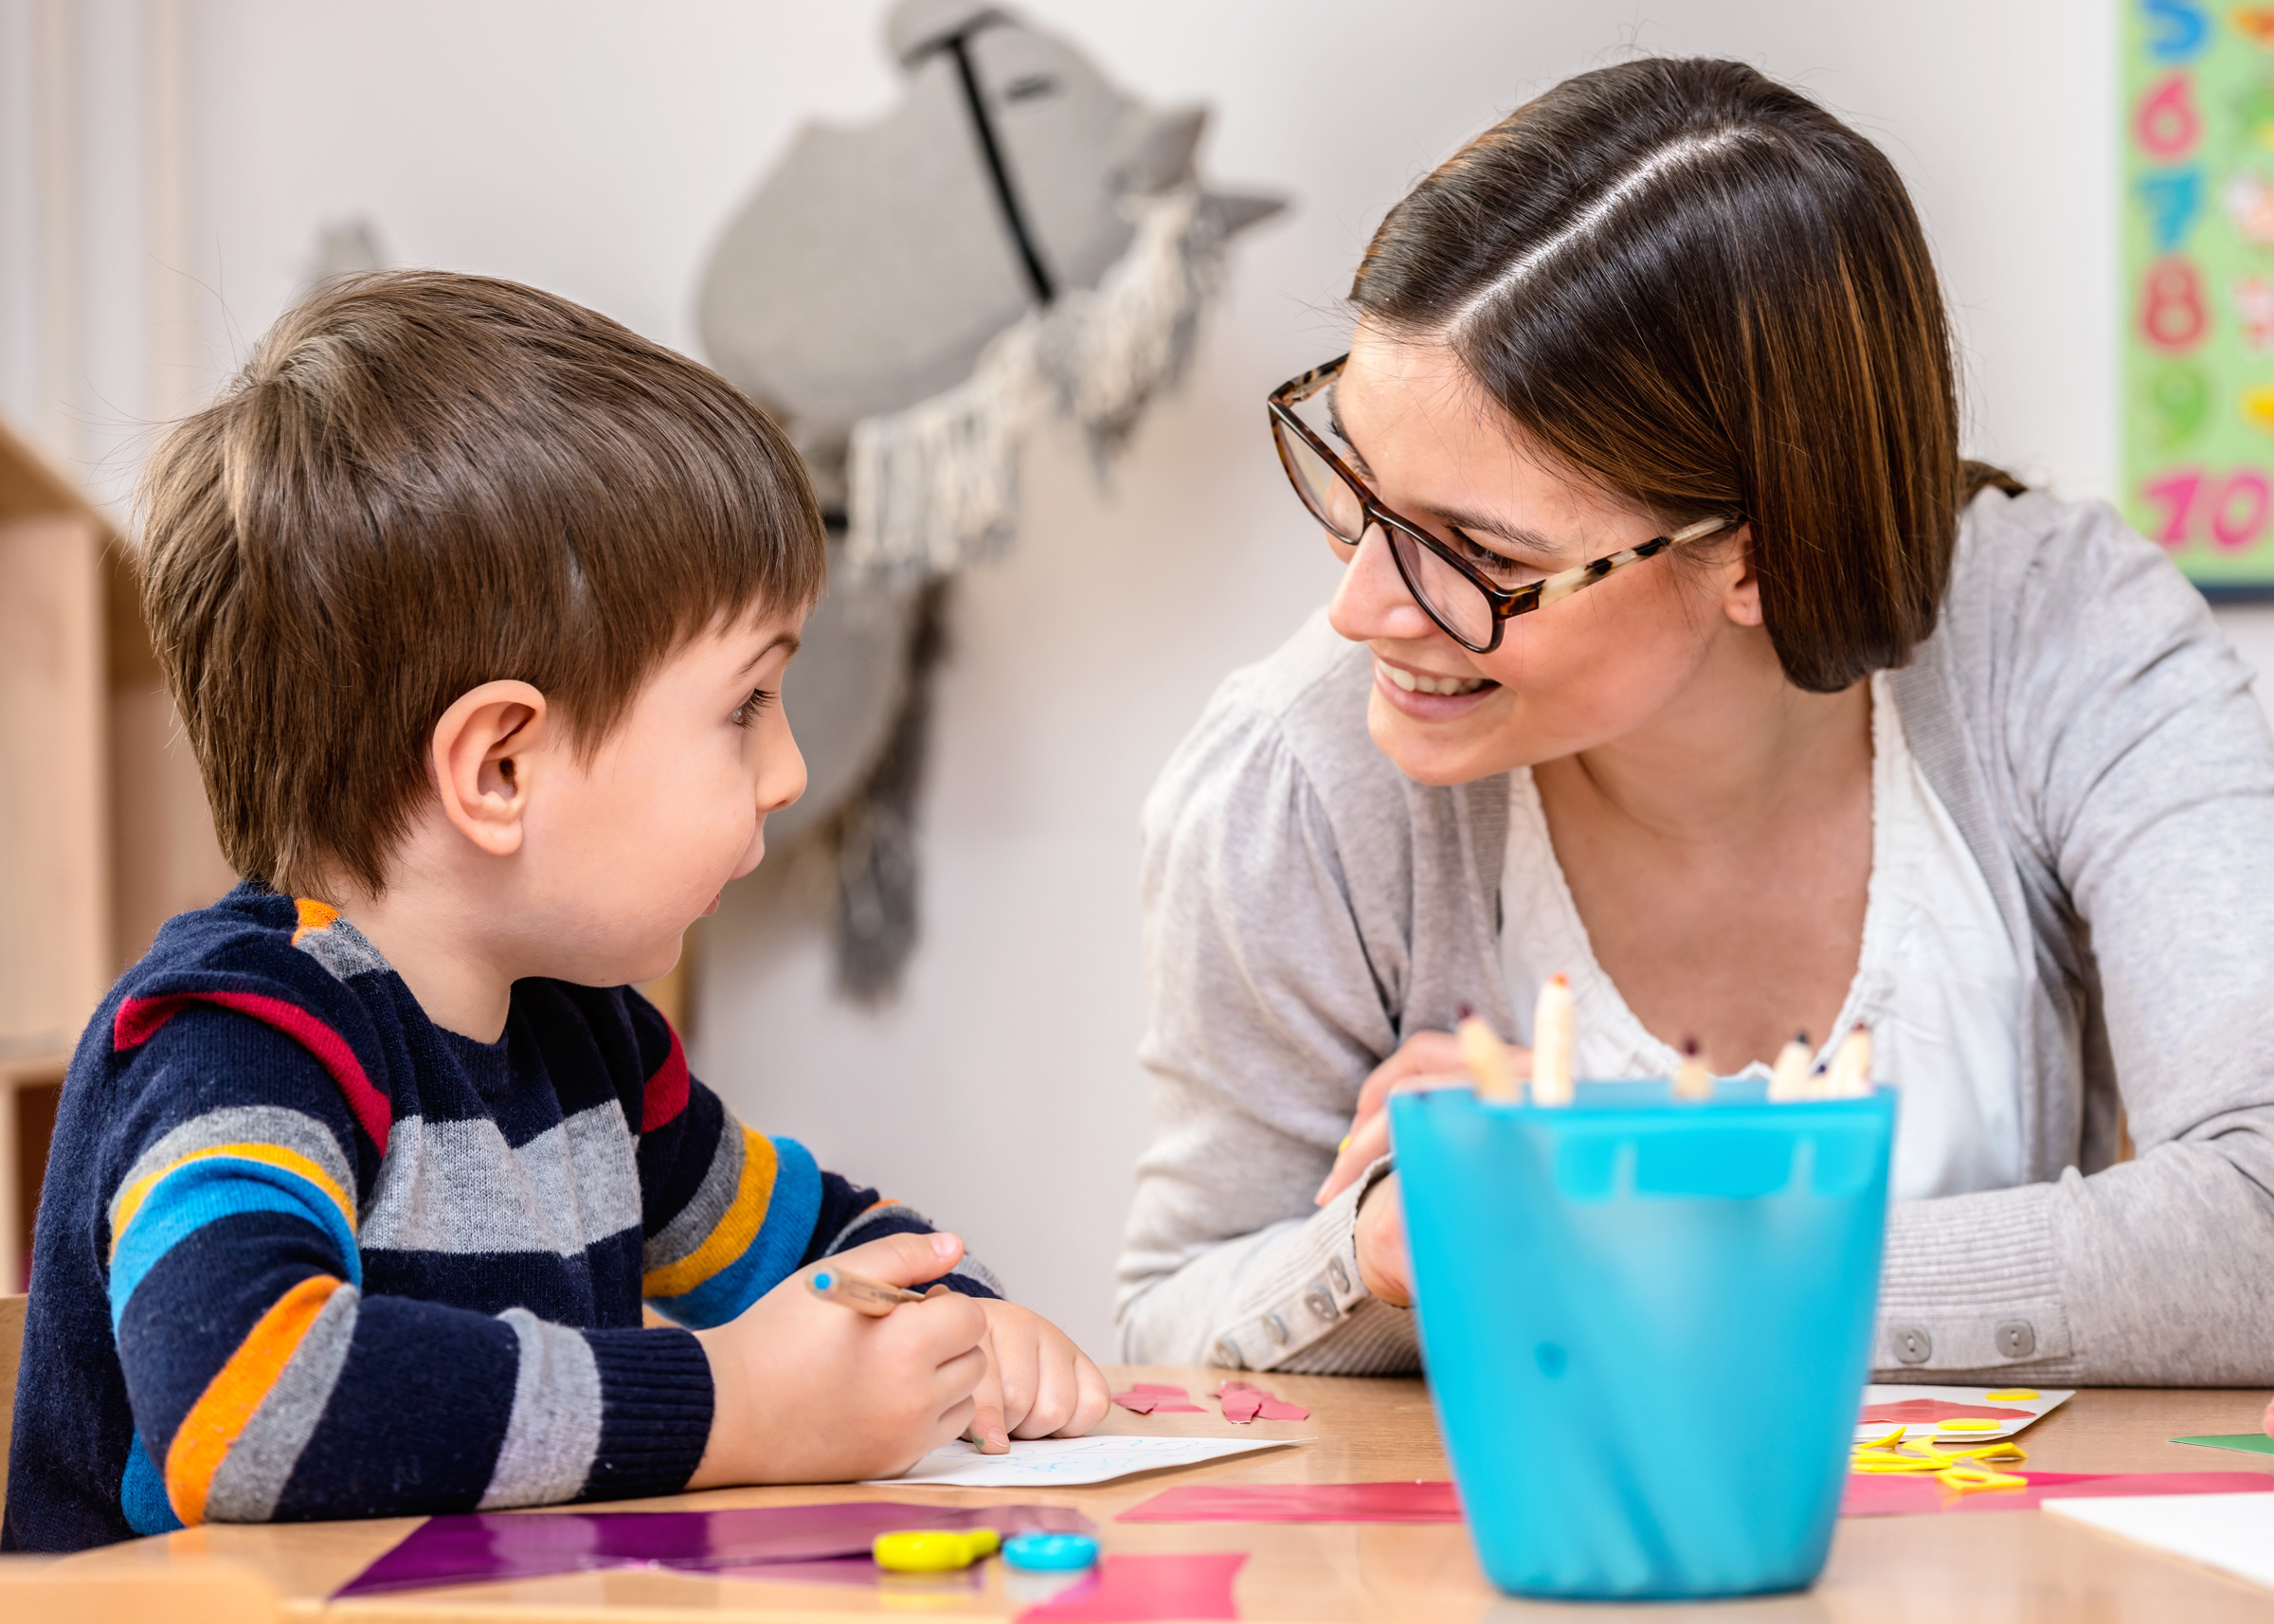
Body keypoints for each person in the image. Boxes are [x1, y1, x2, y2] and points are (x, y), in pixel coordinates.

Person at [1117, 57, 2274, 1383]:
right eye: (1359, 483)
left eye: (1480, 554)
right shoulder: (1295, 779)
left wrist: (1657, 1227)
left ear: (1759, 555)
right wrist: (1378, 1244)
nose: (1364, 609)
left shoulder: (2061, 632)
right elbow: (1165, 1323)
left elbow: (2260, 1219)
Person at [3, 272, 1108, 1553]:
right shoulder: (237, 1041)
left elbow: (838, 1241)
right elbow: (251, 1406)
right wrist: (738, 1402)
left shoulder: (592, 1046)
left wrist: (963, 1322)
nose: (790, 767)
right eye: (746, 702)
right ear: (500, 770)